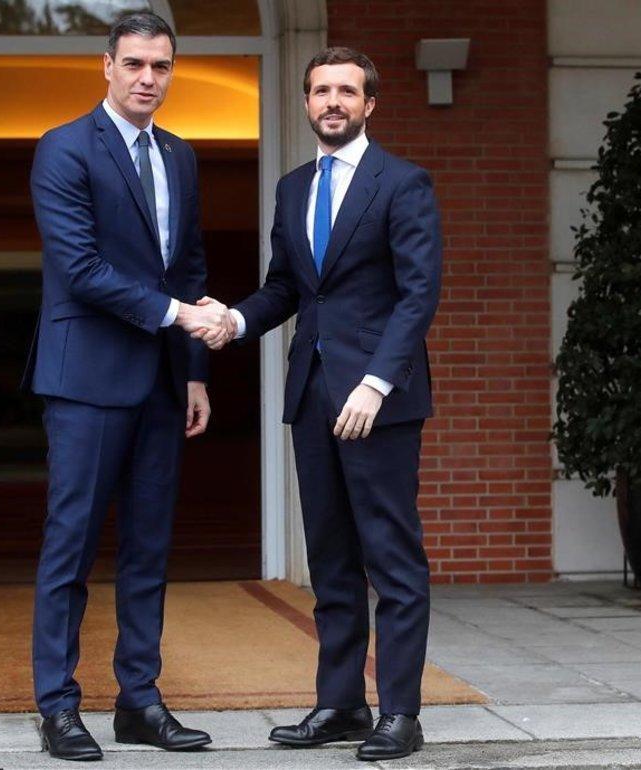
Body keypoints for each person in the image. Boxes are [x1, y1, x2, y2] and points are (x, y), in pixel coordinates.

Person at [200, 47, 442, 762]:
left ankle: (402, 712)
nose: (332, 101)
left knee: (392, 559)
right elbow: (288, 289)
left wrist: (377, 382)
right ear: (306, 103)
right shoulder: (293, 187)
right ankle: (341, 703)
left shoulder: (403, 183)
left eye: (346, 90)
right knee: (331, 560)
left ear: (370, 103)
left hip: (378, 402)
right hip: (312, 394)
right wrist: (236, 321)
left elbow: (417, 293)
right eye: (320, 90)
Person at [21, 11, 229, 762]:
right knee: (70, 547)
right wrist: (177, 314)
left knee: (149, 550)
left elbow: (192, 270)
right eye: (135, 64)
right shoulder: (65, 148)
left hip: (165, 383)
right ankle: (58, 707)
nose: (148, 78)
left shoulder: (181, 156)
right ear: (106, 66)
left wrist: (197, 371)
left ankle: (139, 701)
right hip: (86, 380)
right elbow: (79, 268)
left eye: (161, 67)